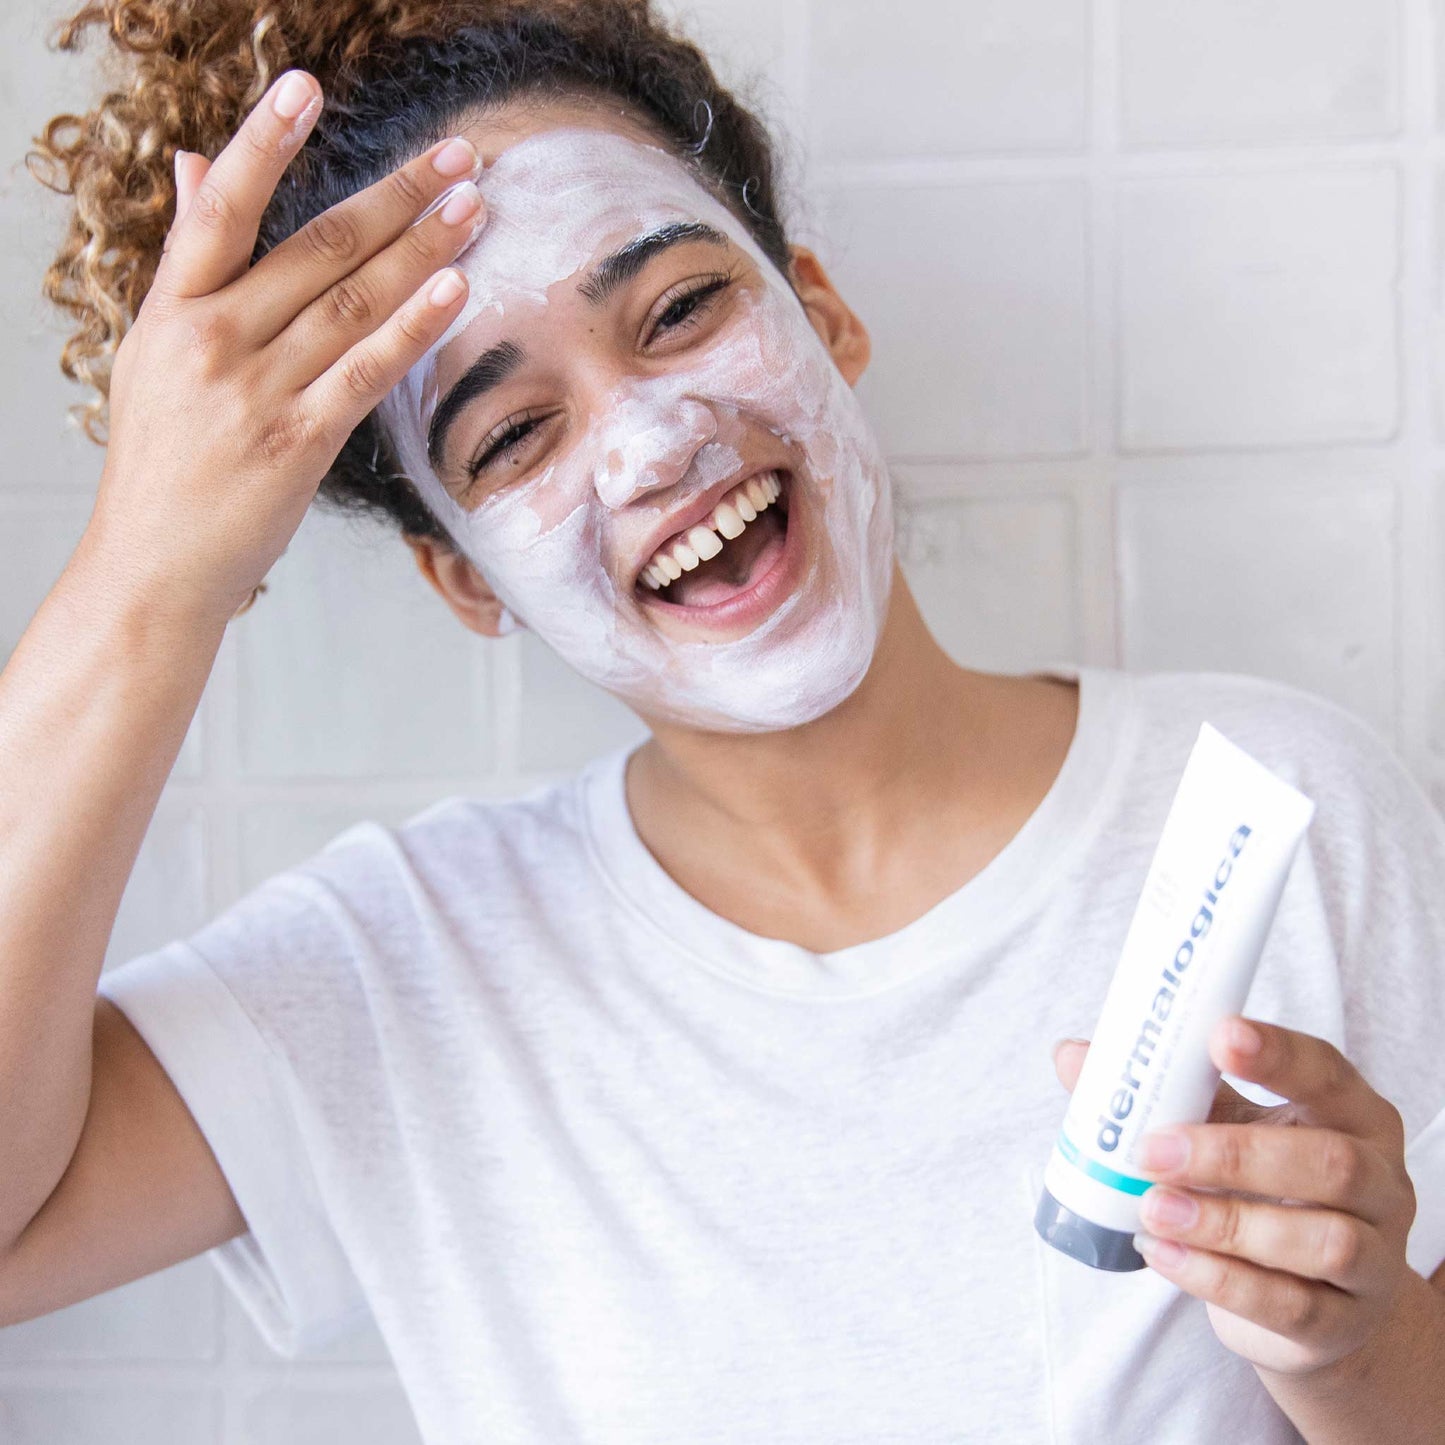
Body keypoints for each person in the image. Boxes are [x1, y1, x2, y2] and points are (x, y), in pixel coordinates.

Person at [0, 2, 1442, 1441]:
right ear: (463, 579)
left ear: (819, 312)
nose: (648, 442)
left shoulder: (1280, 810)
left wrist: (1346, 1356)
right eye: (510, 436)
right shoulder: (401, 969)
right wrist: (148, 574)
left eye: (680, 309)